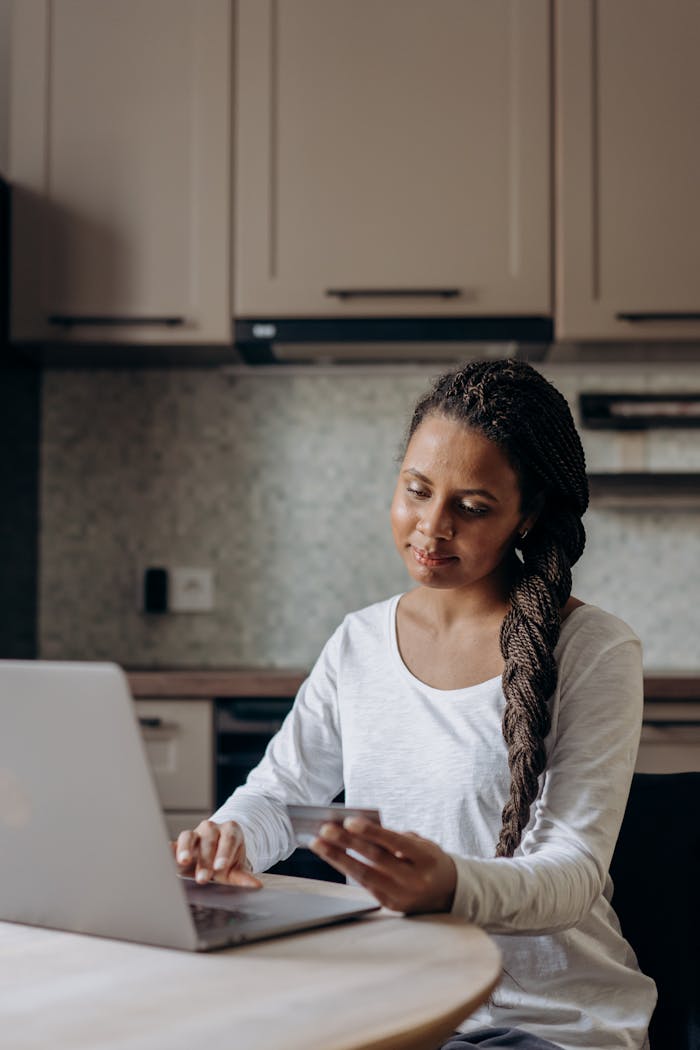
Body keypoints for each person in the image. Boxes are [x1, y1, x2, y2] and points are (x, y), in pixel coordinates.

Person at [174, 360, 656, 1050]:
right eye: (417, 489)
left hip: (543, 1022)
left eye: (473, 507)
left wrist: (450, 885)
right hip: (397, 999)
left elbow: (571, 873)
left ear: (528, 515)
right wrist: (229, 836)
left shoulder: (594, 649)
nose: (431, 527)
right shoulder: (360, 641)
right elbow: (281, 793)